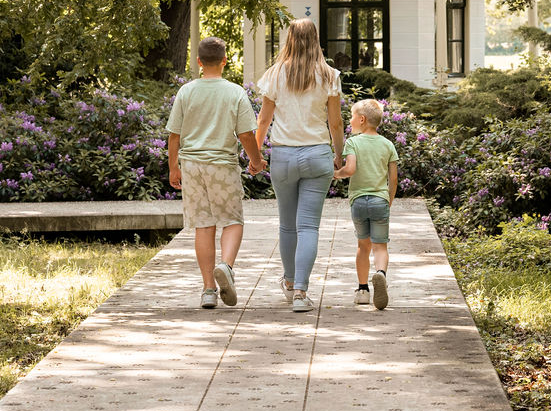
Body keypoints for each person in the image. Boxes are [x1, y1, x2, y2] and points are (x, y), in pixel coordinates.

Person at [167, 37, 266, 309]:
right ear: (225, 61)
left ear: (198, 61)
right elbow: (245, 133)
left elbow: (174, 134)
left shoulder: (186, 92)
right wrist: (256, 160)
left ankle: (208, 290)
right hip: (222, 164)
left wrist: (173, 167)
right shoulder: (234, 92)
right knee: (232, 221)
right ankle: (226, 267)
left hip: (192, 165)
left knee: (204, 225)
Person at [255, 19, 345, 313]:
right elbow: (335, 122)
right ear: (316, 39)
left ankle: (290, 282)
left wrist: (256, 152)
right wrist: (339, 154)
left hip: (282, 156)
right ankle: (302, 294)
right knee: (308, 226)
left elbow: (264, 120)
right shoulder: (329, 75)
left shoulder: (275, 74)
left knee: (287, 225)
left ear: (289, 39)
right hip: (317, 155)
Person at [333, 99, 398, 310]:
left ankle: (362, 291)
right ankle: (380, 274)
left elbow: (350, 169)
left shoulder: (353, 142)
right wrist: (388, 200)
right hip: (380, 200)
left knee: (363, 246)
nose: (350, 120)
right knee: (380, 246)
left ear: (362, 120)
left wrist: (335, 174)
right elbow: (394, 179)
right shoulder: (388, 145)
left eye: (352, 116)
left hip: (359, 202)